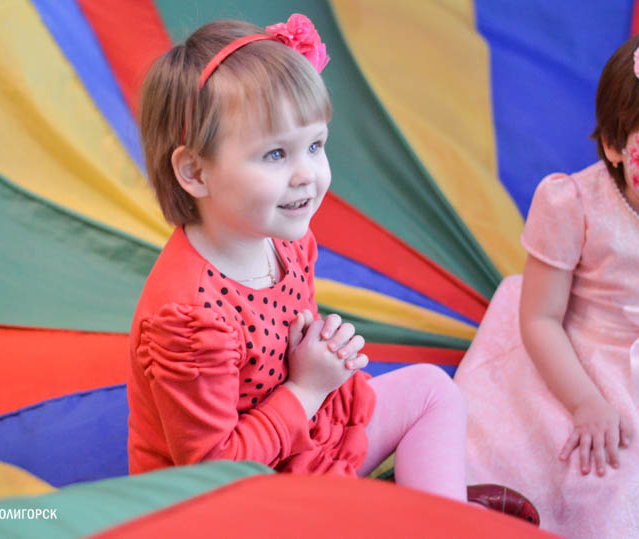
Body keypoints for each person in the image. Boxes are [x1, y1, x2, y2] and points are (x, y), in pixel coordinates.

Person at [127, 13, 536, 522]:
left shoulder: (285, 240)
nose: (307, 174)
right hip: (228, 505)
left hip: (303, 442)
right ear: (195, 172)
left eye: (315, 146)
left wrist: (318, 346)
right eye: (275, 153)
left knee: (432, 391)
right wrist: (307, 388)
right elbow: (212, 471)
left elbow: (285, 334)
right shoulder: (188, 319)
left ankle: (442, 517)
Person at [454, 23, 639, 538]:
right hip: (585, 355)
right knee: (612, 480)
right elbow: (541, 317)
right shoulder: (573, 204)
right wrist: (586, 402)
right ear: (616, 145)